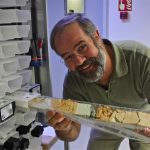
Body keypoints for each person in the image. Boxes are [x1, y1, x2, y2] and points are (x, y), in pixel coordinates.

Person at [46, 13, 150, 150]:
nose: (79, 61)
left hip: (142, 118)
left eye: (82, 47)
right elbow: (73, 133)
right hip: (106, 123)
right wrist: (63, 128)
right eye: (68, 56)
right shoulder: (73, 79)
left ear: (96, 36)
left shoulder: (141, 59)